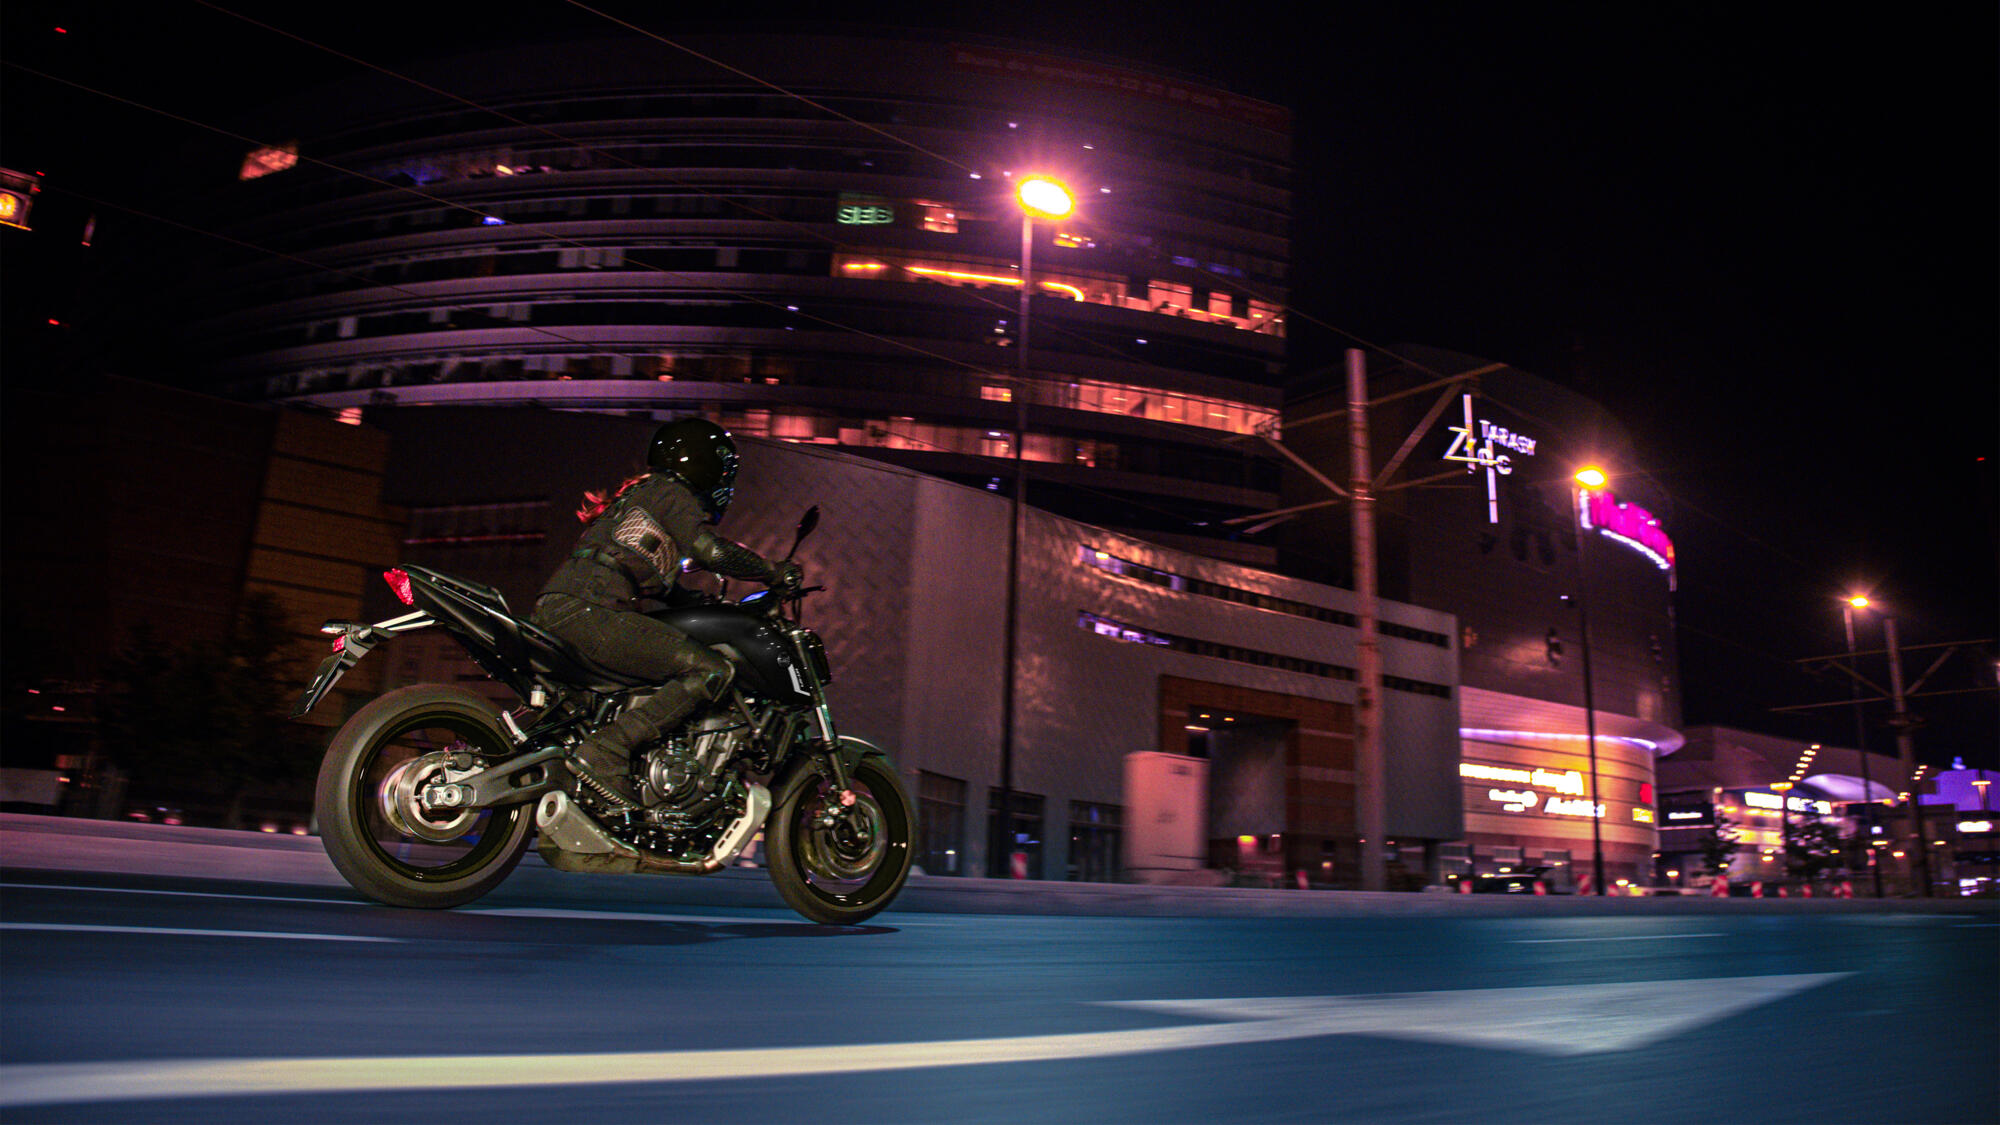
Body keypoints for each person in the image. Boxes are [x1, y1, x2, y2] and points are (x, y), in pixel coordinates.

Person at [530, 418, 800, 810]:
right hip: (591, 611)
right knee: (711, 670)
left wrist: (701, 602)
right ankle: (608, 748)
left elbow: (656, 584)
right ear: (704, 463)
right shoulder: (672, 492)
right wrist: (772, 571)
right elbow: (713, 552)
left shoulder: (642, 497)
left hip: (567, 607)